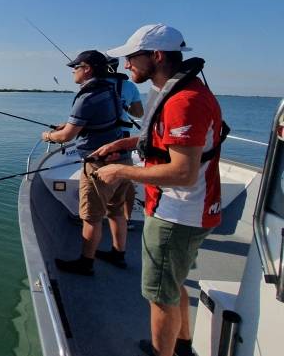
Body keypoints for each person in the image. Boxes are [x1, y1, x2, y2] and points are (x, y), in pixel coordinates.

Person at [92, 24, 225, 356]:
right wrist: (123, 143)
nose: (126, 66)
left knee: (159, 294)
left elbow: (183, 172)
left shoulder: (186, 101)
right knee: (174, 282)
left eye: (131, 59)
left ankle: (160, 351)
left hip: (177, 214)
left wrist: (121, 171)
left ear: (156, 55)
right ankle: (181, 345)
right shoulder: (176, 92)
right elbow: (163, 140)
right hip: (185, 210)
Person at [41, 50, 134, 275]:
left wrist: (48, 136)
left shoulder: (87, 97)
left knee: (91, 217)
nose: (73, 70)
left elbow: (66, 137)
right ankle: (118, 254)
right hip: (122, 159)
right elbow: (101, 120)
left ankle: (85, 263)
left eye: (76, 67)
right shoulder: (110, 89)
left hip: (99, 165)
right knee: (116, 211)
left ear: (88, 69)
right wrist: (69, 124)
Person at [106, 56, 144, 230]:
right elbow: (139, 113)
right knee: (125, 180)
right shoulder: (129, 86)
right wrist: (125, 106)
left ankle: (95, 217)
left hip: (100, 136)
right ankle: (127, 220)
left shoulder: (93, 84)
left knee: (97, 175)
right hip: (123, 135)